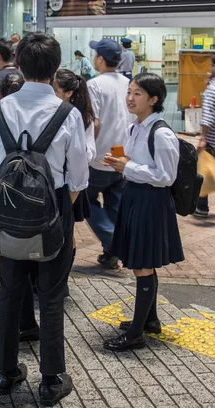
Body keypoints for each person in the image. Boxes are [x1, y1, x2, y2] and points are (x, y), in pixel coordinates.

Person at [0, 32, 88, 404]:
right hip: (54, 212)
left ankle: (6, 372)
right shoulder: (68, 113)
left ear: (19, 64)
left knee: (10, 292)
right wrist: (63, 213)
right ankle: (50, 380)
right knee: (52, 296)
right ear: (55, 67)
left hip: (9, 209)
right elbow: (78, 177)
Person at [103, 73, 184, 351]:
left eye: (137, 94)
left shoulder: (161, 133)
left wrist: (127, 167)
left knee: (142, 265)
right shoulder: (135, 127)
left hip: (152, 200)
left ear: (154, 99)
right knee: (144, 262)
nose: (130, 98)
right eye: (129, 92)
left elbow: (166, 176)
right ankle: (150, 321)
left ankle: (136, 332)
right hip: (136, 196)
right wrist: (122, 165)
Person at [86, 38, 130, 269]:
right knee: (115, 204)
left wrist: (86, 153)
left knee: (86, 199)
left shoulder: (94, 85)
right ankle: (111, 253)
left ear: (101, 59)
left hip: (100, 156)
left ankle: (114, 244)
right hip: (122, 156)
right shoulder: (127, 83)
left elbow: (94, 123)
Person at [52, 69, 96, 270]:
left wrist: (72, 153)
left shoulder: (80, 116)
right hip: (57, 181)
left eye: (55, 88)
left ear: (68, 93)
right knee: (59, 230)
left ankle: (62, 277)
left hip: (73, 183)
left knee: (66, 230)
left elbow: (89, 153)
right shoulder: (52, 111)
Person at [196, 55, 215, 217]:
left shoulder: (212, 89)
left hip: (213, 140)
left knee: (204, 170)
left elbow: (208, 117)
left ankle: (202, 207)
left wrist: (202, 138)